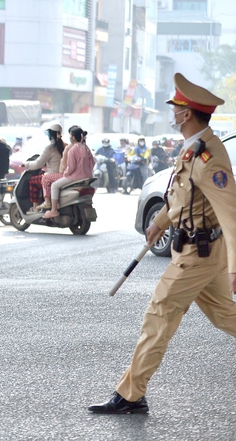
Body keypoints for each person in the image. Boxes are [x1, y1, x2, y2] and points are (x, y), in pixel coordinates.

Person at [88, 73, 236, 414]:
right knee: (225, 315)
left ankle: (131, 393)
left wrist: (235, 267)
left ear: (187, 114)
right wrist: (159, 221)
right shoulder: (194, 149)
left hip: (198, 255)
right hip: (200, 250)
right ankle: (133, 393)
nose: (173, 113)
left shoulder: (208, 157)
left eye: (177, 108)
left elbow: (230, 211)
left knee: (159, 313)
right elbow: (183, 199)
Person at [42, 126, 95, 219]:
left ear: (73, 137)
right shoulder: (86, 148)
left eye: (70, 135)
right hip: (87, 176)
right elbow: (92, 163)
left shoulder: (72, 149)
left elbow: (71, 167)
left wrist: (65, 174)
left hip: (75, 177)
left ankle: (54, 210)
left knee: (54, 185)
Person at [21, 124, 64, 212]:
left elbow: (37, 164)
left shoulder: (50, 148)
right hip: (63, 175)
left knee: (33, 181)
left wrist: (26, 164)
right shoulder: (65, 146)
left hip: (53, 175)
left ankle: (35, 208)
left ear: (50, 135)